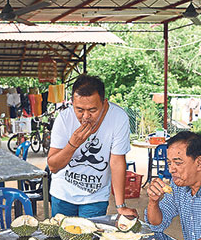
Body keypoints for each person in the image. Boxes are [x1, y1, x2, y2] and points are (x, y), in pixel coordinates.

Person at [47, 74, 137, 218]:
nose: (86, 116)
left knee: (90, 239)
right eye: (80, 110)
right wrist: (73, 144)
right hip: (62, 194)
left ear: (104, 103)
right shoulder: (64, 119)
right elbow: (53, 166)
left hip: (95, 197)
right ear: (72, 103)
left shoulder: (118, 117)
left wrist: (121, 206)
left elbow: (117, 161)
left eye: (92, 110)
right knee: (61, 238)